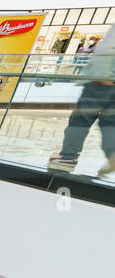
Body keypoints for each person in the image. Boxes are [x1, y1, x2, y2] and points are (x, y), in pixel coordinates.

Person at [47, 19, 115, 177]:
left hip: (100, 82)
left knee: (80, 120)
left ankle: (67, 158)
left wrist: (102, 76)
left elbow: (107, 51)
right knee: (109, 121)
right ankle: (112, 153)